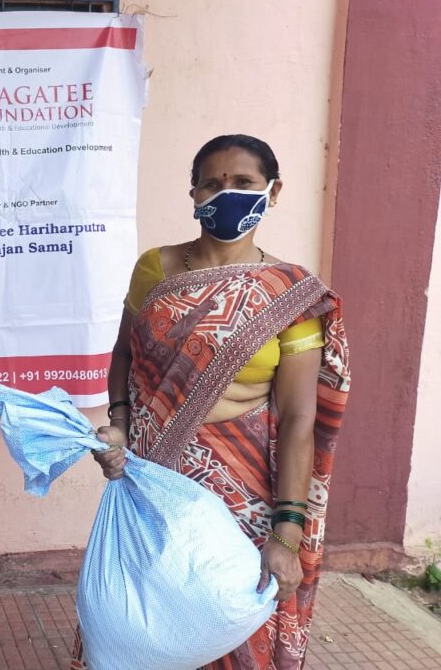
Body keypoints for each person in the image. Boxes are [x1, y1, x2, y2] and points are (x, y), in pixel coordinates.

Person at [78, 135, 350, 670]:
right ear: (194, 194)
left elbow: (298, 418)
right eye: (212, 184)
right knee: (142, 619)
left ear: (273, 192)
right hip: (154, 481)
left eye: (244, 183)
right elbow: (123, 354)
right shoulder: (155, 269)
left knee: (229, 628)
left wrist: (287, 530)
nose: (226, 194)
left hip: (240, 493)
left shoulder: (289, 292)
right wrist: (118, 425)